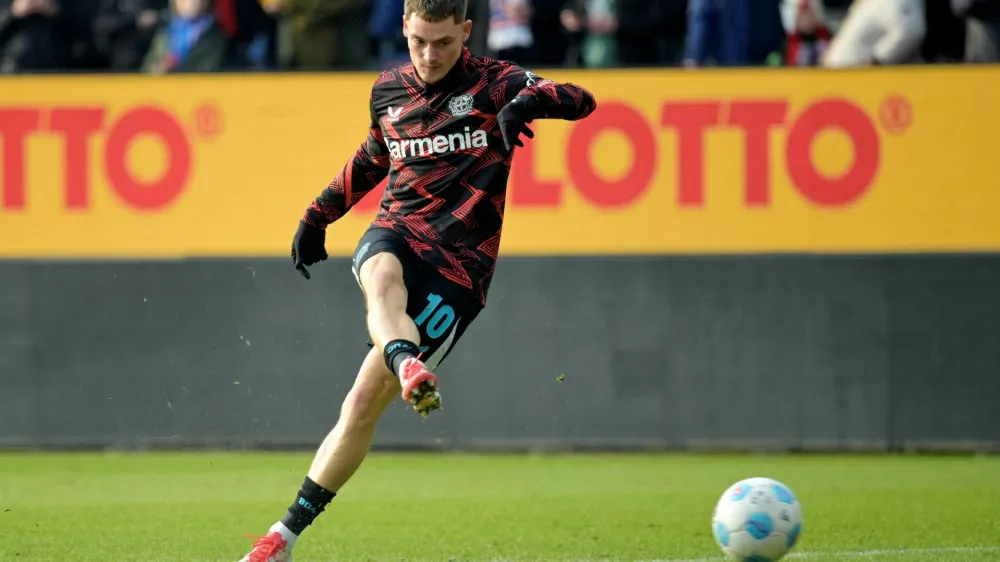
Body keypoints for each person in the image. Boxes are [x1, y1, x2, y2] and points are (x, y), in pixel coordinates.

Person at [237, 0, 596, 560]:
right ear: (404, 27)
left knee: (359, 405)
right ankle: (405, 362)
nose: (430, 56)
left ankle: (289, 531)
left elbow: (581, 99)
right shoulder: (388, 91)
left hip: (461, 268)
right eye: (419, 41)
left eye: (444, 43)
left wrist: (529, 101)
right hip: (398, 230)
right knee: (378, 273)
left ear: (467, 32)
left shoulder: (497, 83)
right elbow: (374, 156)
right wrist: (317, 215)